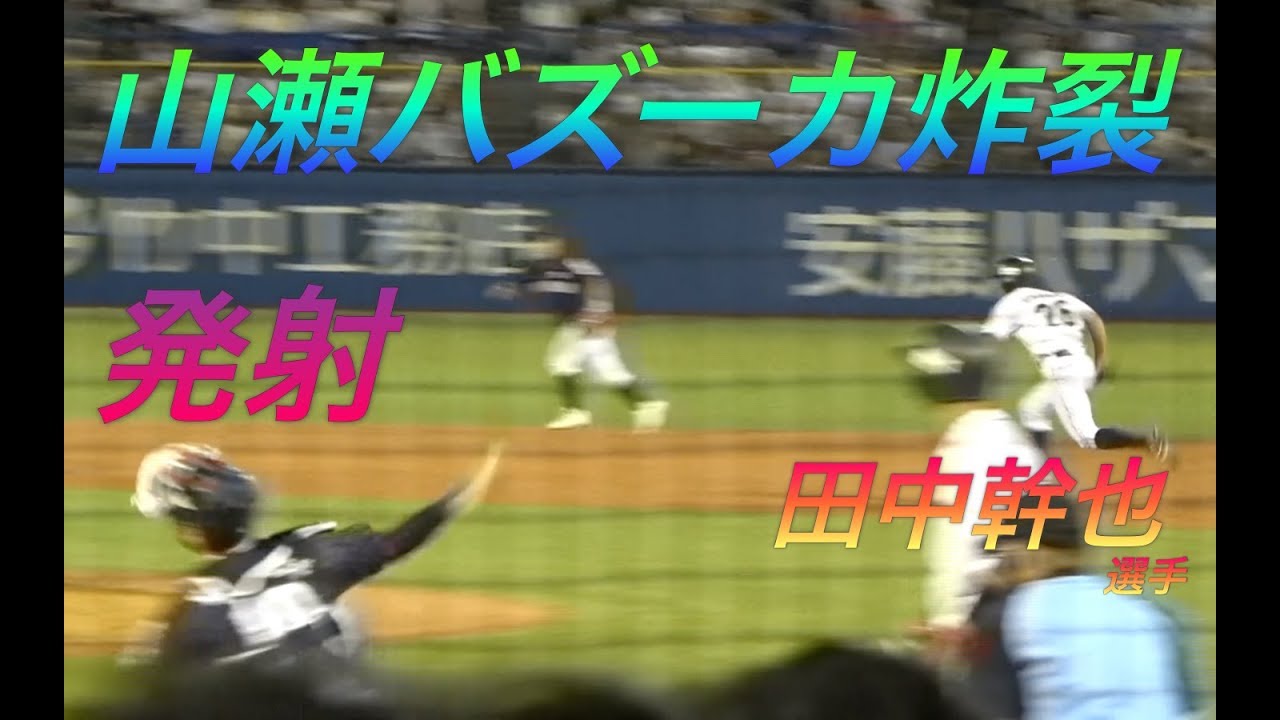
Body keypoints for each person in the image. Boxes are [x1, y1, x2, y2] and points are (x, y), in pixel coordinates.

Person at [121, 440, 503, 672]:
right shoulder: (314, 552)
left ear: (191, 528)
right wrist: (457, 496)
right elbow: (398, 543)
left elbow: (146, 680)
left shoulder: (193, 606)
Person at [954, 492, 1205, 719]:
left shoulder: (1010, 614)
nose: (998, 571)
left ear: (1026, 554)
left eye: (1002, 556)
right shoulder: (1155, 612)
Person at [900, 324, 1046, 652]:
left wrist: (950, 621)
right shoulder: (1005, 435)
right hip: (1027, 611)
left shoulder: (973, 448)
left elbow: (963, 542)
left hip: (991, 623)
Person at [981, 256, 1172, 461]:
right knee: (1032, 410)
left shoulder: (1010, 303)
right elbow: (1094, 320)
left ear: (1006, 281)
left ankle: (1145, 440)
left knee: (1087, 436)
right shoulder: (1061, 298)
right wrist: (1101, 361)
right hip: (1082, 365)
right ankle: (1044, 470)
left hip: (1063, 373)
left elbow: (987, 339)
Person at [487, 227, 668, 431]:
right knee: (606, 370)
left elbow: (598, 287)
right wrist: (509, 290)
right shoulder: (538, 270)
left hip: (587, 323)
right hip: (576, 324)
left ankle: (576, 412)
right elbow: (528, 287)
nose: (540, 247)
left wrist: (598, 315)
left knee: (562, 363)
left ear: (558, 246)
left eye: (545, 243)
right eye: (537, 244)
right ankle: (645, 405)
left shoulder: (575, 265)